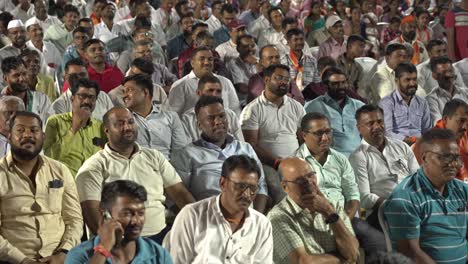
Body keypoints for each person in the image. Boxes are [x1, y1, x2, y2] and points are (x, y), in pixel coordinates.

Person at [75, 107, 195, 244]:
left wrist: (199, 224)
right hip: (120, 242)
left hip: (161, 236)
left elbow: (180, 194)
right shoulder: (94, 166)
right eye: (120, 124)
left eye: (130, 122)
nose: (127, 127)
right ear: (106, 130)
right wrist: (117, 247)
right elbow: (92, 215)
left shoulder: (154, 157)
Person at [296, 112, 386, 255]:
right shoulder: (296, 163)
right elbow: (300, 204)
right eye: (318, 133)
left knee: (379, 242)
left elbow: (353, 196)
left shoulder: (340, 159)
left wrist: (342, 221)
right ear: (304, 135)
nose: (325, 138)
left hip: (345, 218)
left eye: (328, 132)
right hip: (314, 223)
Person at [0, 111, 83, 263]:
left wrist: (64, 252)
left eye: (34, 130)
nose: (27, 135)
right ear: (9, 136)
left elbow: (74, 220)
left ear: (43, 136)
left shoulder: (60, 170)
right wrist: (23, 260)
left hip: (60, 258)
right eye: (20, 130)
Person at [165, 155, 273, 263]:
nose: (247, 194)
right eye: (240, 186)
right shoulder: (192, 215)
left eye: (253, 188)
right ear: (222, 183)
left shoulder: (262, 224)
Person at [384, 128, 468, 263]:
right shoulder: (405, 197)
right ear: (424, 158)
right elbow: (411, 253)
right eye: (445, 157)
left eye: (456, 157)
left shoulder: (463, 190)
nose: (453, 164)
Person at [171, 96, 269, 212]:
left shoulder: (245, 148)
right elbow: (180, 194)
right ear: (199, 125)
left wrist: (257, 218)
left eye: (221, 116)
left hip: (247, 215)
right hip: (209, 216)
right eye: (210, 118)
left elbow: (261, 185)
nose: (218, 122)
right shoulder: (187, 155)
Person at [268, 157, 359, 264]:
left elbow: (353, 253)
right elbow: (302, 262)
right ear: (285, 187)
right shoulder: (278, 217)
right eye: (300, 180)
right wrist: (344, 259)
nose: (309, 182)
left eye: (311, 175)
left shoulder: (332, 206)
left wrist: (329, 212)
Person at [66, 180, 173, 263]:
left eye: (141, 213)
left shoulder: (158, 254)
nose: (136, 221)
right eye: (127, 213)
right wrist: (103, 249)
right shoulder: (79, 254)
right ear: (105, 215)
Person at [241, 64, 305, 203]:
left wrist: (298, 161)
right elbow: (250, 145)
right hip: (268, 164)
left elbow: (303, 139)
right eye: (279, 78)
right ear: (267, 79)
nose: (284, 82)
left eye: (287, 79)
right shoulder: (253, 109)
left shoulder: (296, 106)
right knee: (284, 196)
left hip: (296, 161)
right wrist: (277, 162)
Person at [349, 104, 419, 230]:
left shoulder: (401, 146)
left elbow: (418, 179)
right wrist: (396, 205)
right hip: (382, 212)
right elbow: (364, 197)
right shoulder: (358, 157)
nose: (377, 127)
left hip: (414, 204)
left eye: (380, 121)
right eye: (370, 123)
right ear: (359, 128)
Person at [44, 78, 105, 177]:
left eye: (91, 97)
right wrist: (73, 129)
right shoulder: (55, 122)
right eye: (82, 96)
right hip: (65, 183)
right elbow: (48, 157)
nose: (87, 101)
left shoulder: (100, 126)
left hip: (93, 183)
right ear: (72, 99)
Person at [122, 74, 187, 160]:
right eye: (123, 92)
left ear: (145, 92)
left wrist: (173, 172)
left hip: (167, 169)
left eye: (129, 90)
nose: (124, 95)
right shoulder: (123, 121)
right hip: (138, 169)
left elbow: (180, 151)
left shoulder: (171, 117)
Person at [305, 67, 365, 157]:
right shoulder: (313, 106)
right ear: (326, 86)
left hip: (358, 157)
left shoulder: (359, 106)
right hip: (330, 158)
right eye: (335, 84)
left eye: (343, 82)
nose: (341, 86)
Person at [167, 46, 240, 116]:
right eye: (202, 59)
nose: (206, 62)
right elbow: (173, 116)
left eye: (210, 59)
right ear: (192, 63)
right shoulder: (181, 86)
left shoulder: (225, 82)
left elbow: (235, 110)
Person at [412, 99, 468, 182]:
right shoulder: (427, 144)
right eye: (461, 121)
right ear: (445, 119)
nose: (465, 127)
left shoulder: (463, 134)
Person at [379, 63, 432, 145]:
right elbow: (387, 132)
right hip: (396, 146)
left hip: (419, 146)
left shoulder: (422, 102)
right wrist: (408, 140)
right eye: (407, 80)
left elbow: (427, 131)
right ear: (396, 81)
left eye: (414, 79)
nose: (412, 84)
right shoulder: (387, 103)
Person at [180, 75, 243, 142]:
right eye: (210, 90)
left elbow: (241, 144)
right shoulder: (187, 119)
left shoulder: (230, 115)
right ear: (199, 93)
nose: (214, 94)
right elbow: (186, 149)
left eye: (218, 91)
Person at [1, 56, 54, 123]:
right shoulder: (1, 102)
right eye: (16, 75)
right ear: (5, 78)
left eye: (24, 74)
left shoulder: (42, 99)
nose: (22, 79)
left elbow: (51, 125)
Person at [426, 56, 468, 122]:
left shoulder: (466, 92)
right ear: (434, 76)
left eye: (450, 71)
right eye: (443, 72)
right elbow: (438, 124)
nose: (448, 75)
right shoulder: (431, 99)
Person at [226, 34, 258, 101]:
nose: (250, 49)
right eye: (245, 46)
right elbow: (241, 88)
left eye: (252, 46)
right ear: (238, 49)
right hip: (243, 101)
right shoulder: (233, 63)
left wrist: (257, 63)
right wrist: (261, 88)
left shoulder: (259, 61)